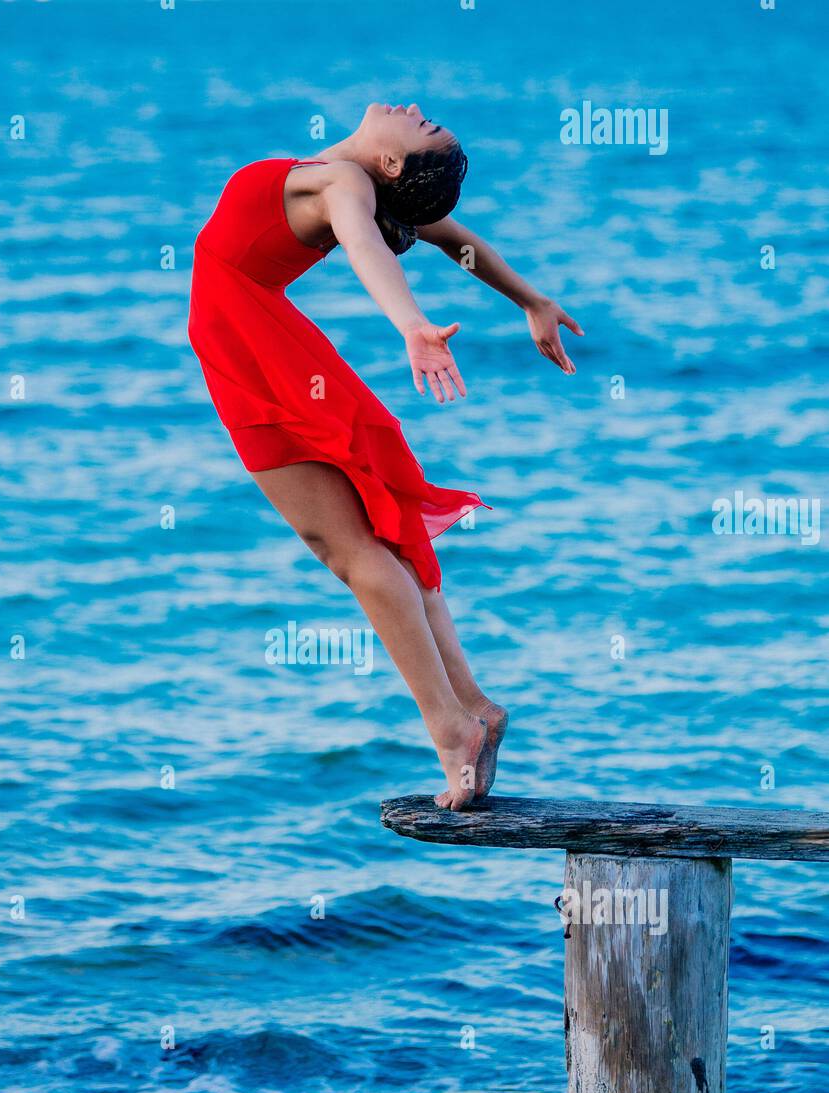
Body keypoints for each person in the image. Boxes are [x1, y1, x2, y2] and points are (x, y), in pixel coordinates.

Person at [188, 102, 583, 808]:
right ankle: (470, 707)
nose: (418, 112)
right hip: (253, 338)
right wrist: (531, 300)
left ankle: (450, 728)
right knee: (365, 540)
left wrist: (410, 325)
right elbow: (454, 241)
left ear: (392, 163)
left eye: (426, 128)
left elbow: (367, 248)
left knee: (347, 548)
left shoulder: (343, 182)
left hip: (253, 348)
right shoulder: (359, 184)